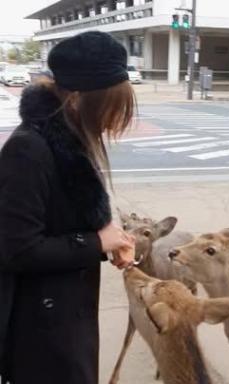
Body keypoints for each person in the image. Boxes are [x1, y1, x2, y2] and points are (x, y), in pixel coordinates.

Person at [0, 31, 136, 384]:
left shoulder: (70, 140)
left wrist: (113, 238)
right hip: (40, 331)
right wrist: (96, 243)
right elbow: (16, 249)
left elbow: (71, 215)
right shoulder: (29, 150)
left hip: (67, 316)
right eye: (110, 108)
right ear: (76, 98)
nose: (112, 121)